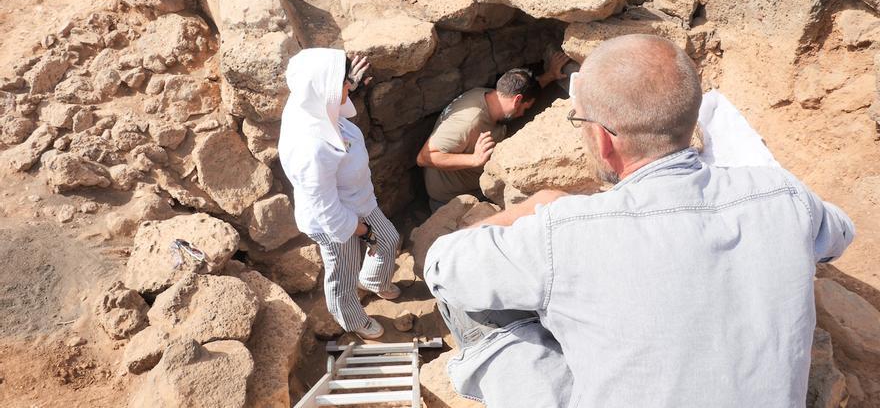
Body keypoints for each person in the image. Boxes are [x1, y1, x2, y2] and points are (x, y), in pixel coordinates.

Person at [423, 35, 855, 407]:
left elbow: (442, 266)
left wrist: (524, 212)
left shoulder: (565, 229)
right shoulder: (784, 195)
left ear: (603, 140)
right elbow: (838, 235)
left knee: (479, 305)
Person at [278, 48, 401, 340]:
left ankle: (372, 279)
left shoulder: (312, 102)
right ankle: (351, 317)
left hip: (357, 199)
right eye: (342, 82)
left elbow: (335, 107)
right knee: (343, 277)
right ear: (324, 88)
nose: (348, 85)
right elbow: (326, 208)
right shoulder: (310, 148)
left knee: (390, 240)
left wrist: (350, 86)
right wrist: (363, 231)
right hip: (334, 222)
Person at [417, 52, 571, 210]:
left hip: (474, 186)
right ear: (517, 100)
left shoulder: (489, 95)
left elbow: (525, 90)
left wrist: (550, 75)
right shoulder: (469, 122)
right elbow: (424, 157)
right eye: (524, 109)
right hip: (453, 200)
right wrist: (474, 159)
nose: (522, 114)